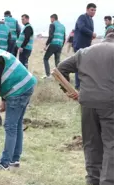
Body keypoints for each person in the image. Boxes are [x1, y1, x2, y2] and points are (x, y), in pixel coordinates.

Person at [57, 31, 114, 185]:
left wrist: (72, 92)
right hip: (110, 103)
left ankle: (92, 181)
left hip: (87, 103)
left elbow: (60, 69)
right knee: (111, 145)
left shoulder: (84, 52)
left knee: (91, 145)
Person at [73, 3, 96, 90]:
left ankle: (83, 84)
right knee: (79, 64)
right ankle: (77, 85)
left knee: (85, 65)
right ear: (87, 9)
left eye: (94, 10)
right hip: (79, 45)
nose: (93, 12)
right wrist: (91, 33)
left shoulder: (91, 20)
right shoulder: (82, 17)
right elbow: (81, 28)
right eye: (92, 10)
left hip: (86, 46)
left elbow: (88, 32)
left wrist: (91, 36)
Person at [42, 14, 66, 79]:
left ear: (53, 18)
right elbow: (64, 38)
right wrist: (61, 46)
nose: (50, 21)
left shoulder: (52, 25)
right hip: (60, 45)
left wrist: (46, 45)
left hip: (53, 44)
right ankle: (59, 77)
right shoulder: (63, 26)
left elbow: (51, 36)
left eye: (51, 19)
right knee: (57, 62)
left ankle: (48, 75)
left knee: (45, 58)